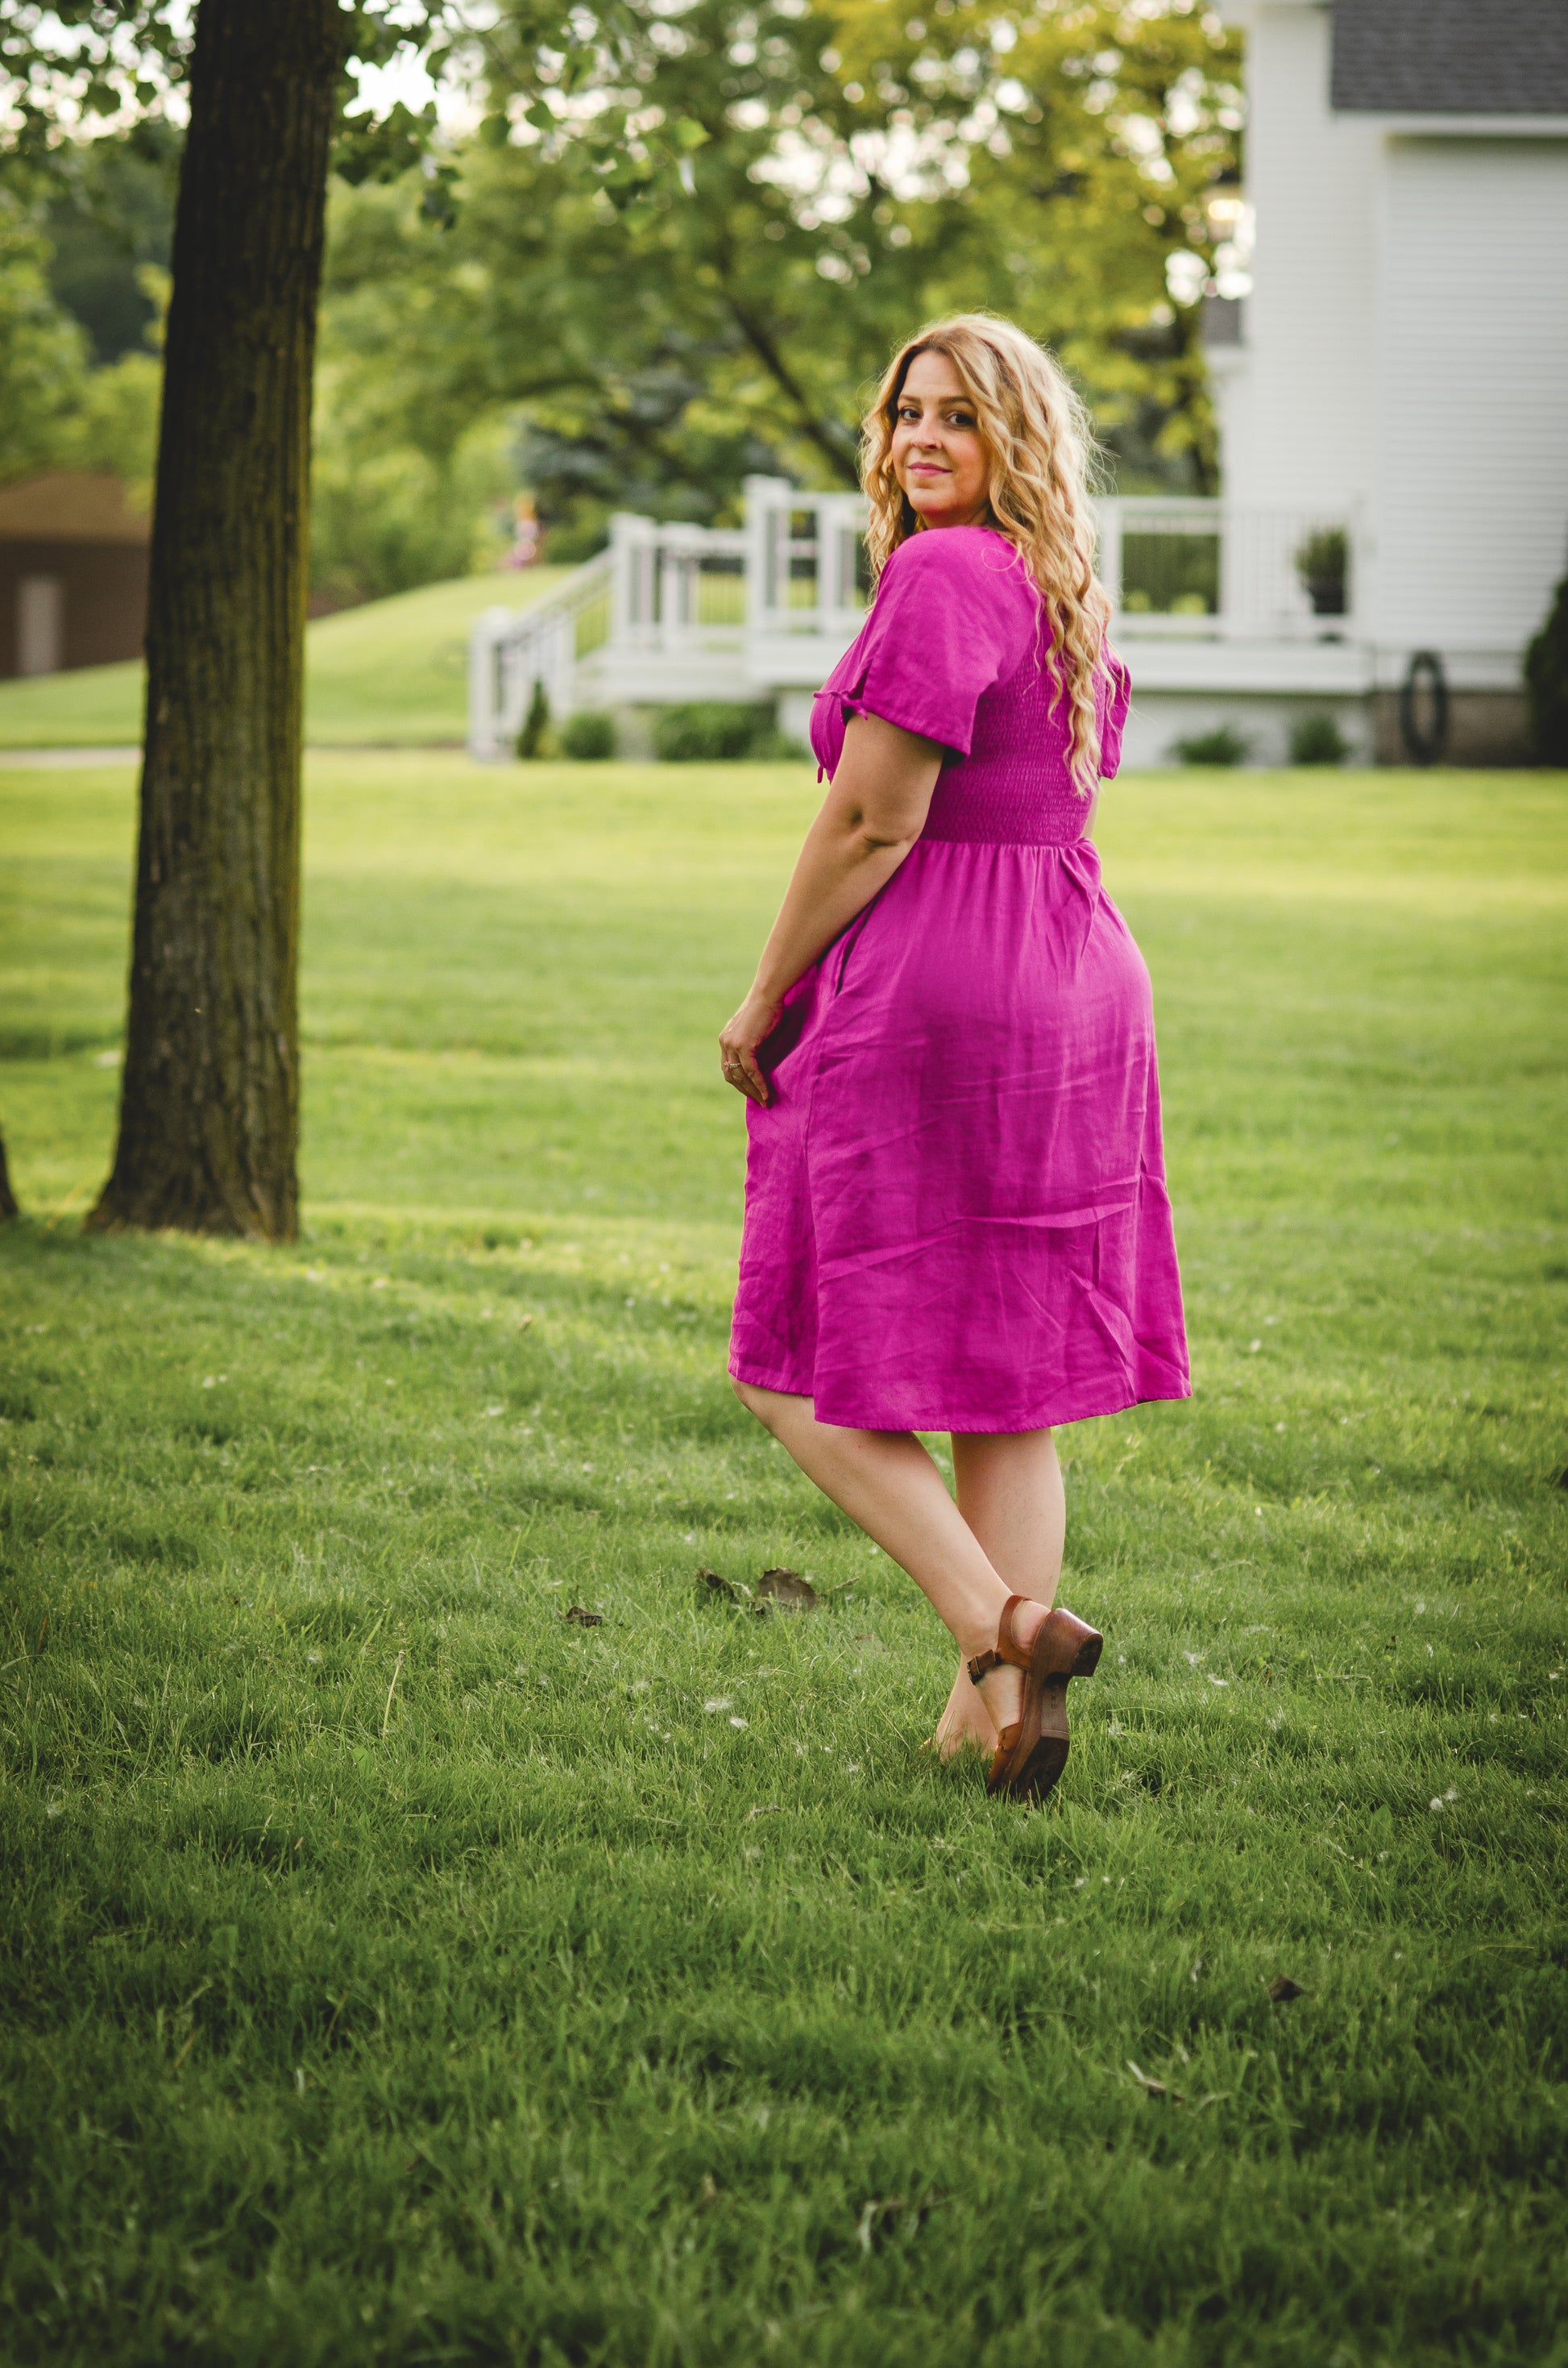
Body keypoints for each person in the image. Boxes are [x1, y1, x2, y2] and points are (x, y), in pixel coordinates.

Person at [719, 314, 1189, 1804]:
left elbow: (874, 819)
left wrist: (761, 997)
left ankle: (1000, 1627)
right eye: (905, 411)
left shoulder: (941, 570)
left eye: (959, 418)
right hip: (1078, 971)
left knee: (789, 1356)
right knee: (1007, 1378)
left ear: (1014, 441)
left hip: (944, 979)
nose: (921, 438)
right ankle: (984, 1723)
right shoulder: (1063, 583)